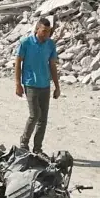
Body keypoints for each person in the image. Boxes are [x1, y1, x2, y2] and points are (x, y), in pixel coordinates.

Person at [14, 17, 62, 154]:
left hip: (45, 85)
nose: (46, 34)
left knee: (43, 119)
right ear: (37, 29)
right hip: (30, 84)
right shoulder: (26, 43)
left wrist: (57, 87)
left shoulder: (50, 45)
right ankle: (24, 142)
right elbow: (18, 63)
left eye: (49, 31)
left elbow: (52, 65)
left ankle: (37, 148)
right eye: (44, 31)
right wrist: (18, 83)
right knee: (34, 115)